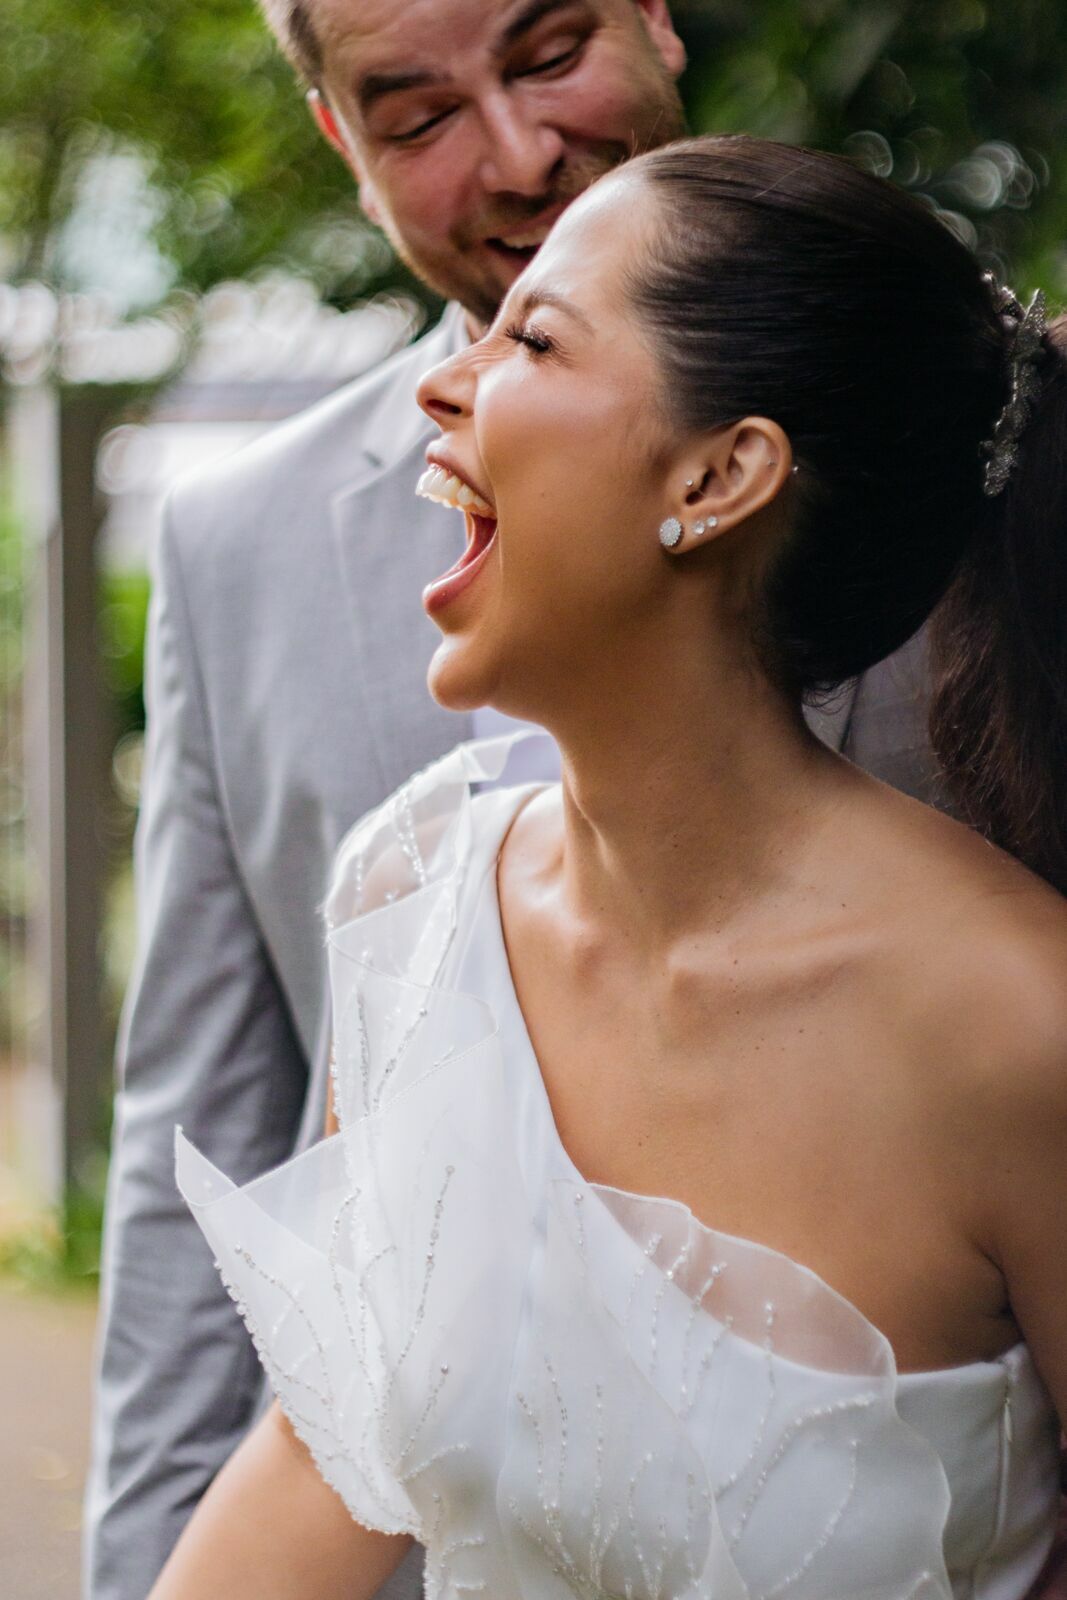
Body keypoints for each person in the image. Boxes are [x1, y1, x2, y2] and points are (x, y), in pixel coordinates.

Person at [146, 135, 1067, 1599]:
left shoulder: (1020, 1026)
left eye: (536, 339)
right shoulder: (414, 897)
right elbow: (329, 1458)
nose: (445, 380)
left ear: (718, 474)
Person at [84, 5, 689, 1599]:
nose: (518, 157)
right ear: (343, 149)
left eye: (552, 53)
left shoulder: (990, 460)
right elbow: (198, 1164)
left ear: (658, 15)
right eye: (415, 119)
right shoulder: (238, 549)